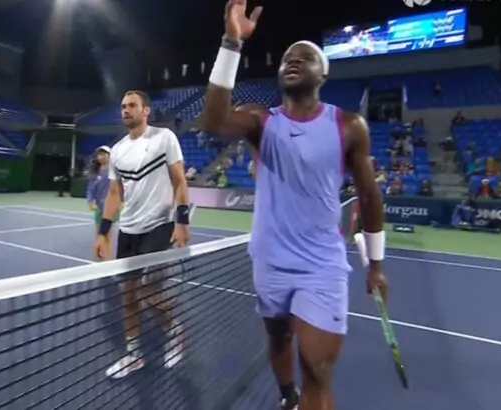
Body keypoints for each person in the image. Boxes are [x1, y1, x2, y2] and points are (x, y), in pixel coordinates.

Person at [200, 1, 388, 409]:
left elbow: (369, 196)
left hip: (321, 265)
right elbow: (213, 123)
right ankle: (288, 396)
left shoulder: (348, 126)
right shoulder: (260, 120)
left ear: (324, 74)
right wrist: (231, 42)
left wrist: (375, 264)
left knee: (317, 369)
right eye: (288, 57)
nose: (294, 60)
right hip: (269, 260)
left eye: (305, 57)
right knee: (279, 337)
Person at [92, 90, 190, 379]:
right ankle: (134, 354)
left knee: (150, 291)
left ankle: (174, 331)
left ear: (146, 111)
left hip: (159, 224)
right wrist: (103, 233)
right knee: (128, 295)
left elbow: (180, 181)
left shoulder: (164, 138)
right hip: (129, 229)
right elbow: (114, 193)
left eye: (132, 105)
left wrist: (182, 221)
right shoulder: (118, 150)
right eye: (123, 106)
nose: (126, 110)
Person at [86, 146, 120, 234]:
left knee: (106, 233)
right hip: (98, 207)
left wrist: (121, 202)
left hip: (111, 207)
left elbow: (120, 188)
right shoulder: (95, 172)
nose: (101, 156)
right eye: (99, 154)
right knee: (99, 233)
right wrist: (90, 201)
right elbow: (90, 189)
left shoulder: (115, 172)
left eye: (104, 154)